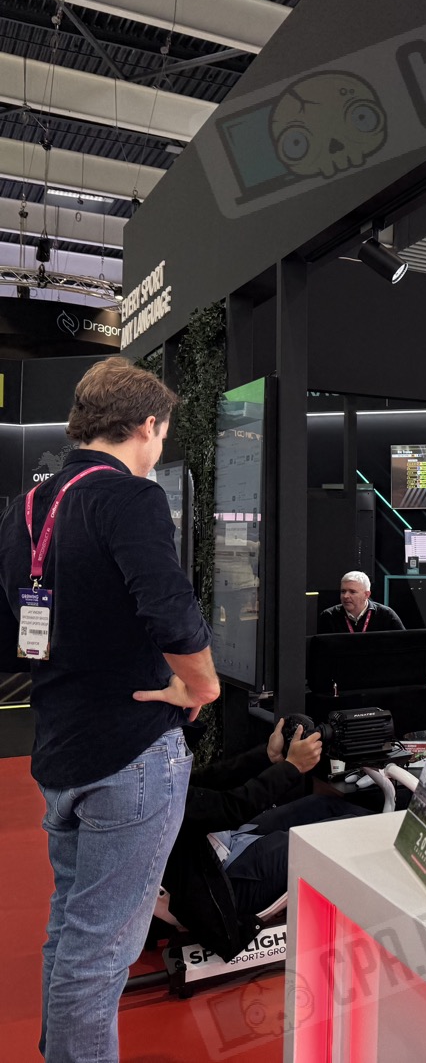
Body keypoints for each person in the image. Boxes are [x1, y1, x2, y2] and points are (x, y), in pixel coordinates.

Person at [0, 356, 220, 1061]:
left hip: (60, 747)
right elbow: (172, 610)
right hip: (130, 754)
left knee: (72, 932)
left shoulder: (27, 507)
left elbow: (12, 631)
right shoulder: (130, 497)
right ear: (147, 425)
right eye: (163, 434)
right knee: (101, 953)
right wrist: (202, 686)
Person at [161, 718, 369, 961]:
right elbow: (231, 808)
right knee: (347, 833)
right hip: (220, 885)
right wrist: (292, 767)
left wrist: (267, 756)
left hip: (221, 845)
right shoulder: (146, 791)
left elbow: (206, 782)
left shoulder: (148, 768)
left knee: (325, 805)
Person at [316, 570, 404, 633]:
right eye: (343, 591)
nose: (345, 596)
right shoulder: (329, 616)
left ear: (366, 595)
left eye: (352, 592)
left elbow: (404, 645)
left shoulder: (386, 615)